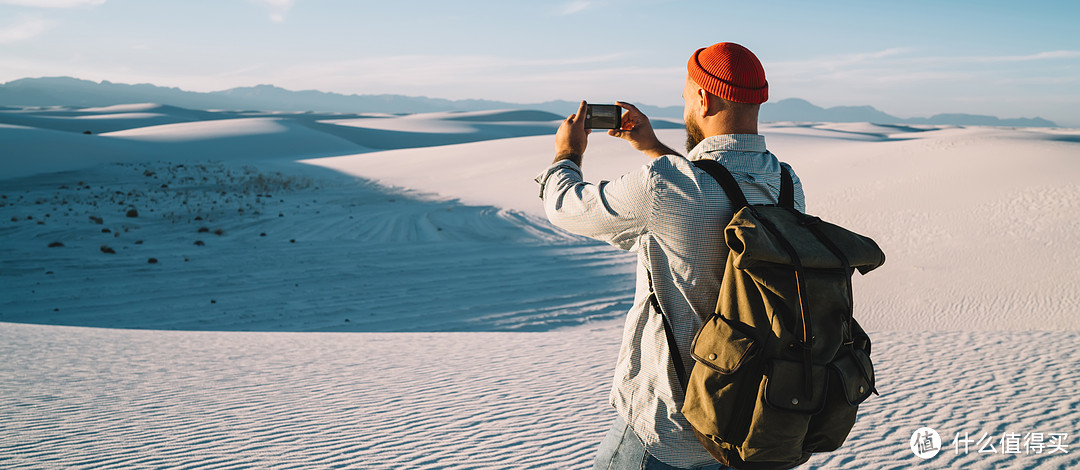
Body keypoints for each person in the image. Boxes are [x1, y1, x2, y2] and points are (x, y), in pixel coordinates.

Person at [534, 42, 806, 469]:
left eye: (684, 97)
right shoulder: (787, 185)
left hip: (667, 429)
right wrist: (651, 148)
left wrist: (567, 154)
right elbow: (716, 195)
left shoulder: (665, 186)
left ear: (703, 97)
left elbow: (566, 206)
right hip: (747, 423)